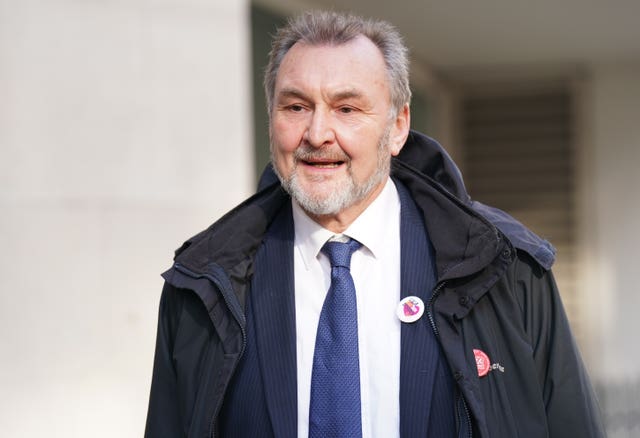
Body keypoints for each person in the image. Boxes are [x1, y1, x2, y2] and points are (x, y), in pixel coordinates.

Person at [145, 10, 605, 438]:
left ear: (398, 126)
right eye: (296, 107)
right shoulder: (201, 287)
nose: (318, 134)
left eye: (346, 109)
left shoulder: (506, 271)